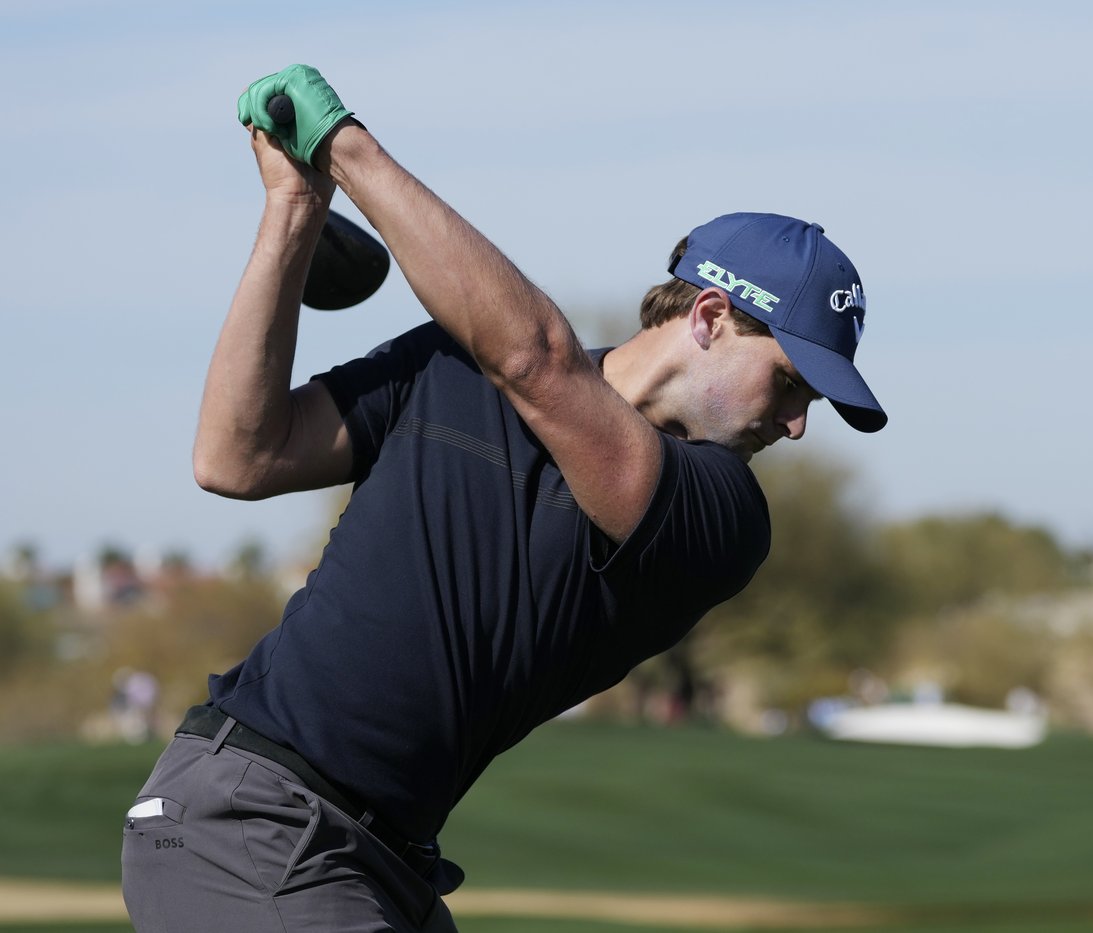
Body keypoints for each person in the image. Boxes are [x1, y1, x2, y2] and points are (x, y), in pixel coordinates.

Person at [121, 64, 886, 933]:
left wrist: (345, 147)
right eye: (789, 384)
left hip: (379, 862)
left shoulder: (724, 517)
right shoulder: (453, 364)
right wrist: (292, 211)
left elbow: (535, 362)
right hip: (250, 813)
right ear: (710, 317)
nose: (795, 426)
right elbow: (236, 455)